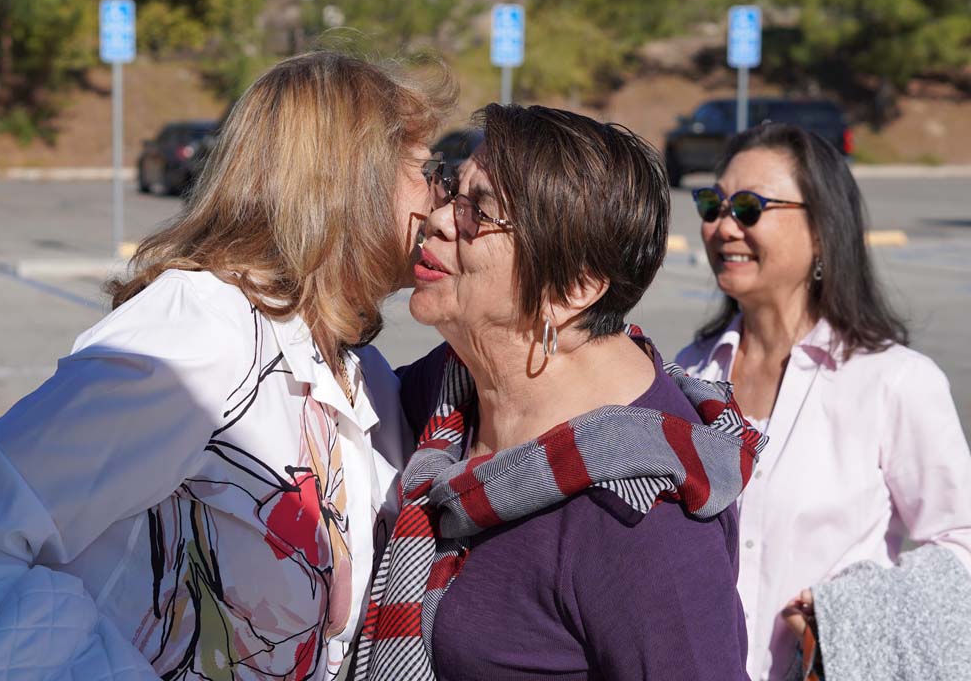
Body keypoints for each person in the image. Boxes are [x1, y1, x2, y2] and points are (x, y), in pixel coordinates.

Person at [0, 51, 456, 680]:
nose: (441, 198)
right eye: (425, 172)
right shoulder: (202, 327)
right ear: (350, 181)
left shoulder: (354, 362)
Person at [355, 104, 764, 681]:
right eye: (452, 190)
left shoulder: (639, 523)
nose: (440, 219)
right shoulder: (453, 392)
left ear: (572, 287)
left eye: (480, 212)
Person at [676, 123, 971, 681]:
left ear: (821, 230)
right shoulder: (686, 373)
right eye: (713, 204)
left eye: (749, 207)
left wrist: (846, 612)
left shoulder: (894, 382)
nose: (722, 226)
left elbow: (962, 542)